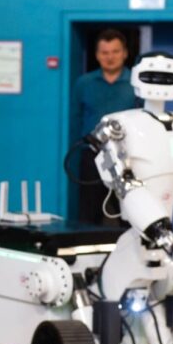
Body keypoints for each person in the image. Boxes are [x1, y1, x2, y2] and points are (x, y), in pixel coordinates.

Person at [73, 29, 137, 224]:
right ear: (97, 55)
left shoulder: (136, 84)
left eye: (115, 51)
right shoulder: (84, 84)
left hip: (127, 158)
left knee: (130, 213)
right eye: (105, 52)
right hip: (92, 157)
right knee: (88, 213)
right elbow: (75, 118)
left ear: (125, 53)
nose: (110, 57)